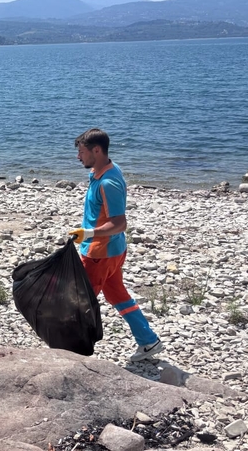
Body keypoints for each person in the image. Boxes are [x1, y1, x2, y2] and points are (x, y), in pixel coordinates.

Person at [68, 128, 163, 362]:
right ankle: (148, 340)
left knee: (82, 302)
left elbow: (120, 224)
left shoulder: (108, 182)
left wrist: (88, 233)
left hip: (99, 254)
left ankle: (75, 352)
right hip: (114, 251)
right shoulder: (103, 170)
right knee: (118, 296)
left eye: (81, 152)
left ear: (97, 150)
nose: (78, 157)